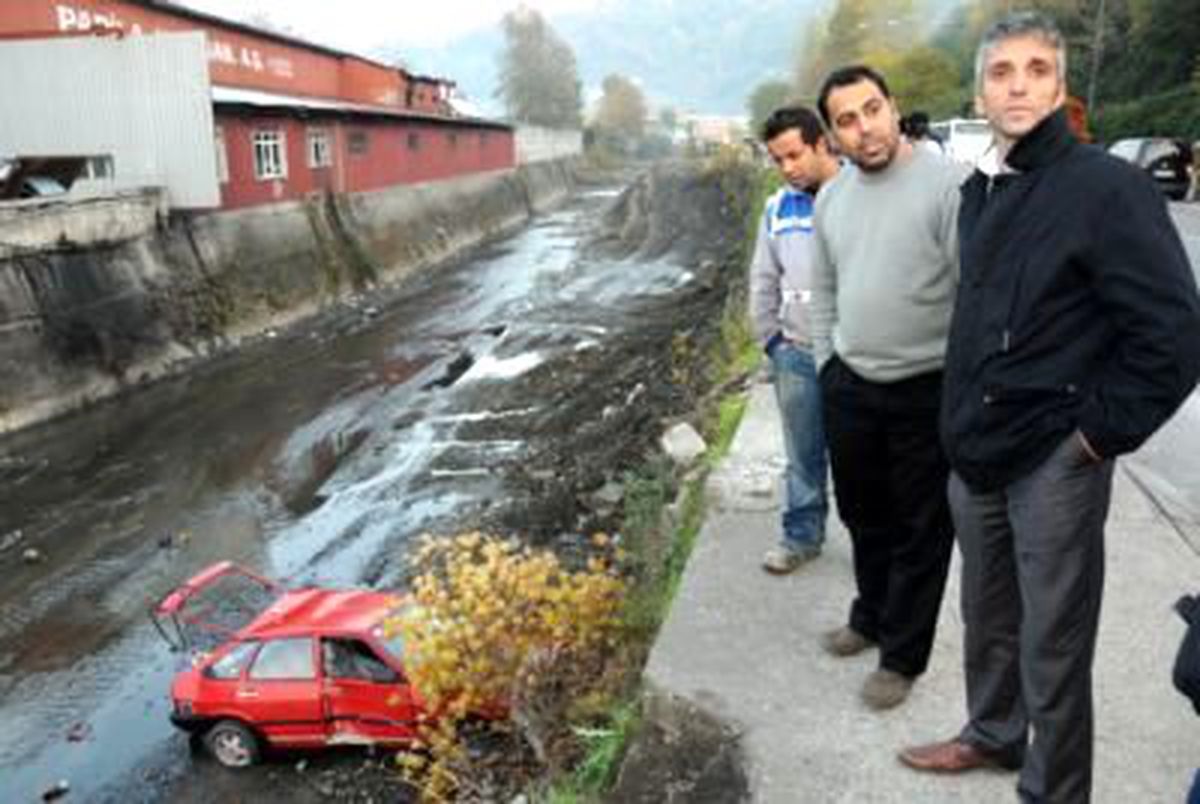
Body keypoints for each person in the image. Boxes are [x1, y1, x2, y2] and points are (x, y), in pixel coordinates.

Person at [899, 13, 1200, 803]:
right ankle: (993, 735)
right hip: (978, 451)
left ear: (1060, 87)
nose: (1019, 83)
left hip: (1056, 461)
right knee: (987, 617)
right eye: (1002, 71)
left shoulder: (1109, 187)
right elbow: (978, 320)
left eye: (1037, 68)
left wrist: (1096, 438)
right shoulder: (981, 189)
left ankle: (1053, 792)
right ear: (981, 90)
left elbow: (1172, 335)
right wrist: (954, 427)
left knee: (1053, 644)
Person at [809, 65, 966, 709]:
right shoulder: (831, 198)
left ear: (894, 106)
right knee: (862, 514)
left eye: (871, 109)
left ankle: (902, 657)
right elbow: (823, 291)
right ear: (833, 135)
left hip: (926, 388)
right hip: (851, 385)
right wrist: (826, 366)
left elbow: (973, 293)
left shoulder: (948, 185)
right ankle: (869, 616)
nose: (863, 127)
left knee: (922, 530)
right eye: (846, 119)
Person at [749, 106, 841, 574]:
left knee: (864, 459)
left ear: (821, 144)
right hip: (797, 354)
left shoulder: (856, 194)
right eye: (778, 159)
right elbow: (763, 278)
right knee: (802, 457)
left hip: (855, 359)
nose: (787, 168)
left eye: (794, 155)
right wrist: (773, 342)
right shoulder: (778, 207)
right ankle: (801, 536)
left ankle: (878, 548)